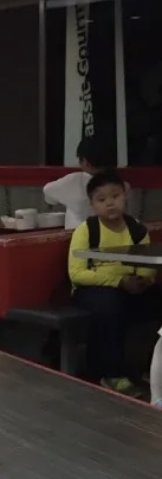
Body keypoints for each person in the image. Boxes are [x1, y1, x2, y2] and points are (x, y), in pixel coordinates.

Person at [68, 169, 160, 392]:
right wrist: (118, 282)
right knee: (110, 305)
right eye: (101, 199)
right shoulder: (86, 230)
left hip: (129, 285)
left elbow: (147, 264)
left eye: (115, 196)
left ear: (125, 196)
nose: (110, 203)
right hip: (91, 288)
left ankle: (152, 367)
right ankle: (110, 374)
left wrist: (144, 281)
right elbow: (77, 273)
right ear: (92, 205)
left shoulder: (137, 229)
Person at [45, 136, 105, 229]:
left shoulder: (76, 180)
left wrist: (51, 201)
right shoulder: (120, 184)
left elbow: (47, 191)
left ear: (85, 162)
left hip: (76, 235)